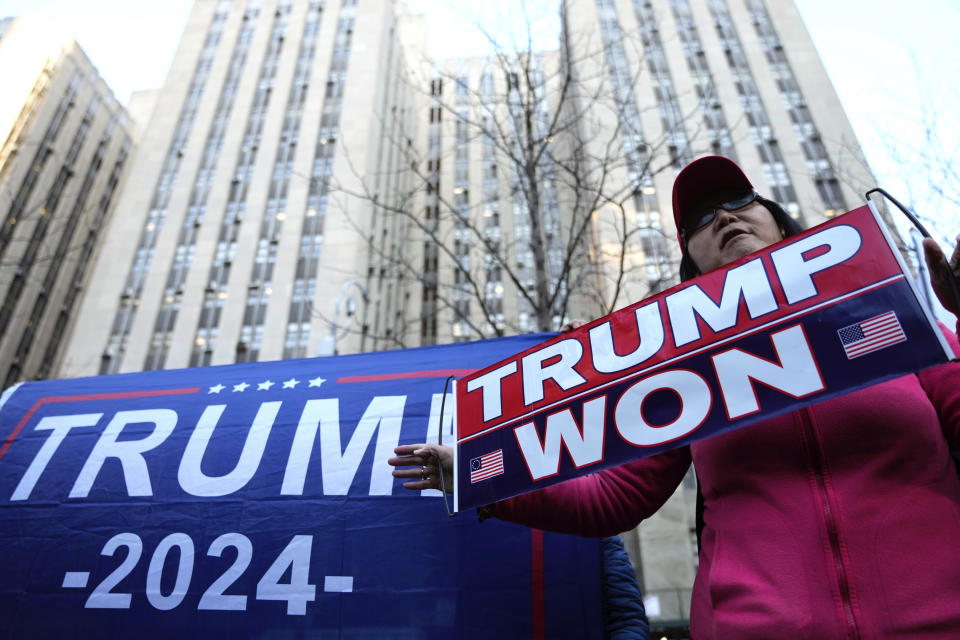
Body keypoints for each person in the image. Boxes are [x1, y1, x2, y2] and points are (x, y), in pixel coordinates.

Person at [388, 156, 960, 638]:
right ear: (693, 268)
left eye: (739, 199)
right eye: (701, 219)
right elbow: (615, 497)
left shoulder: (898, 321)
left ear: (782, 224)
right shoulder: (683, 367)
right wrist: (481, 475)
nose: (725, 216)